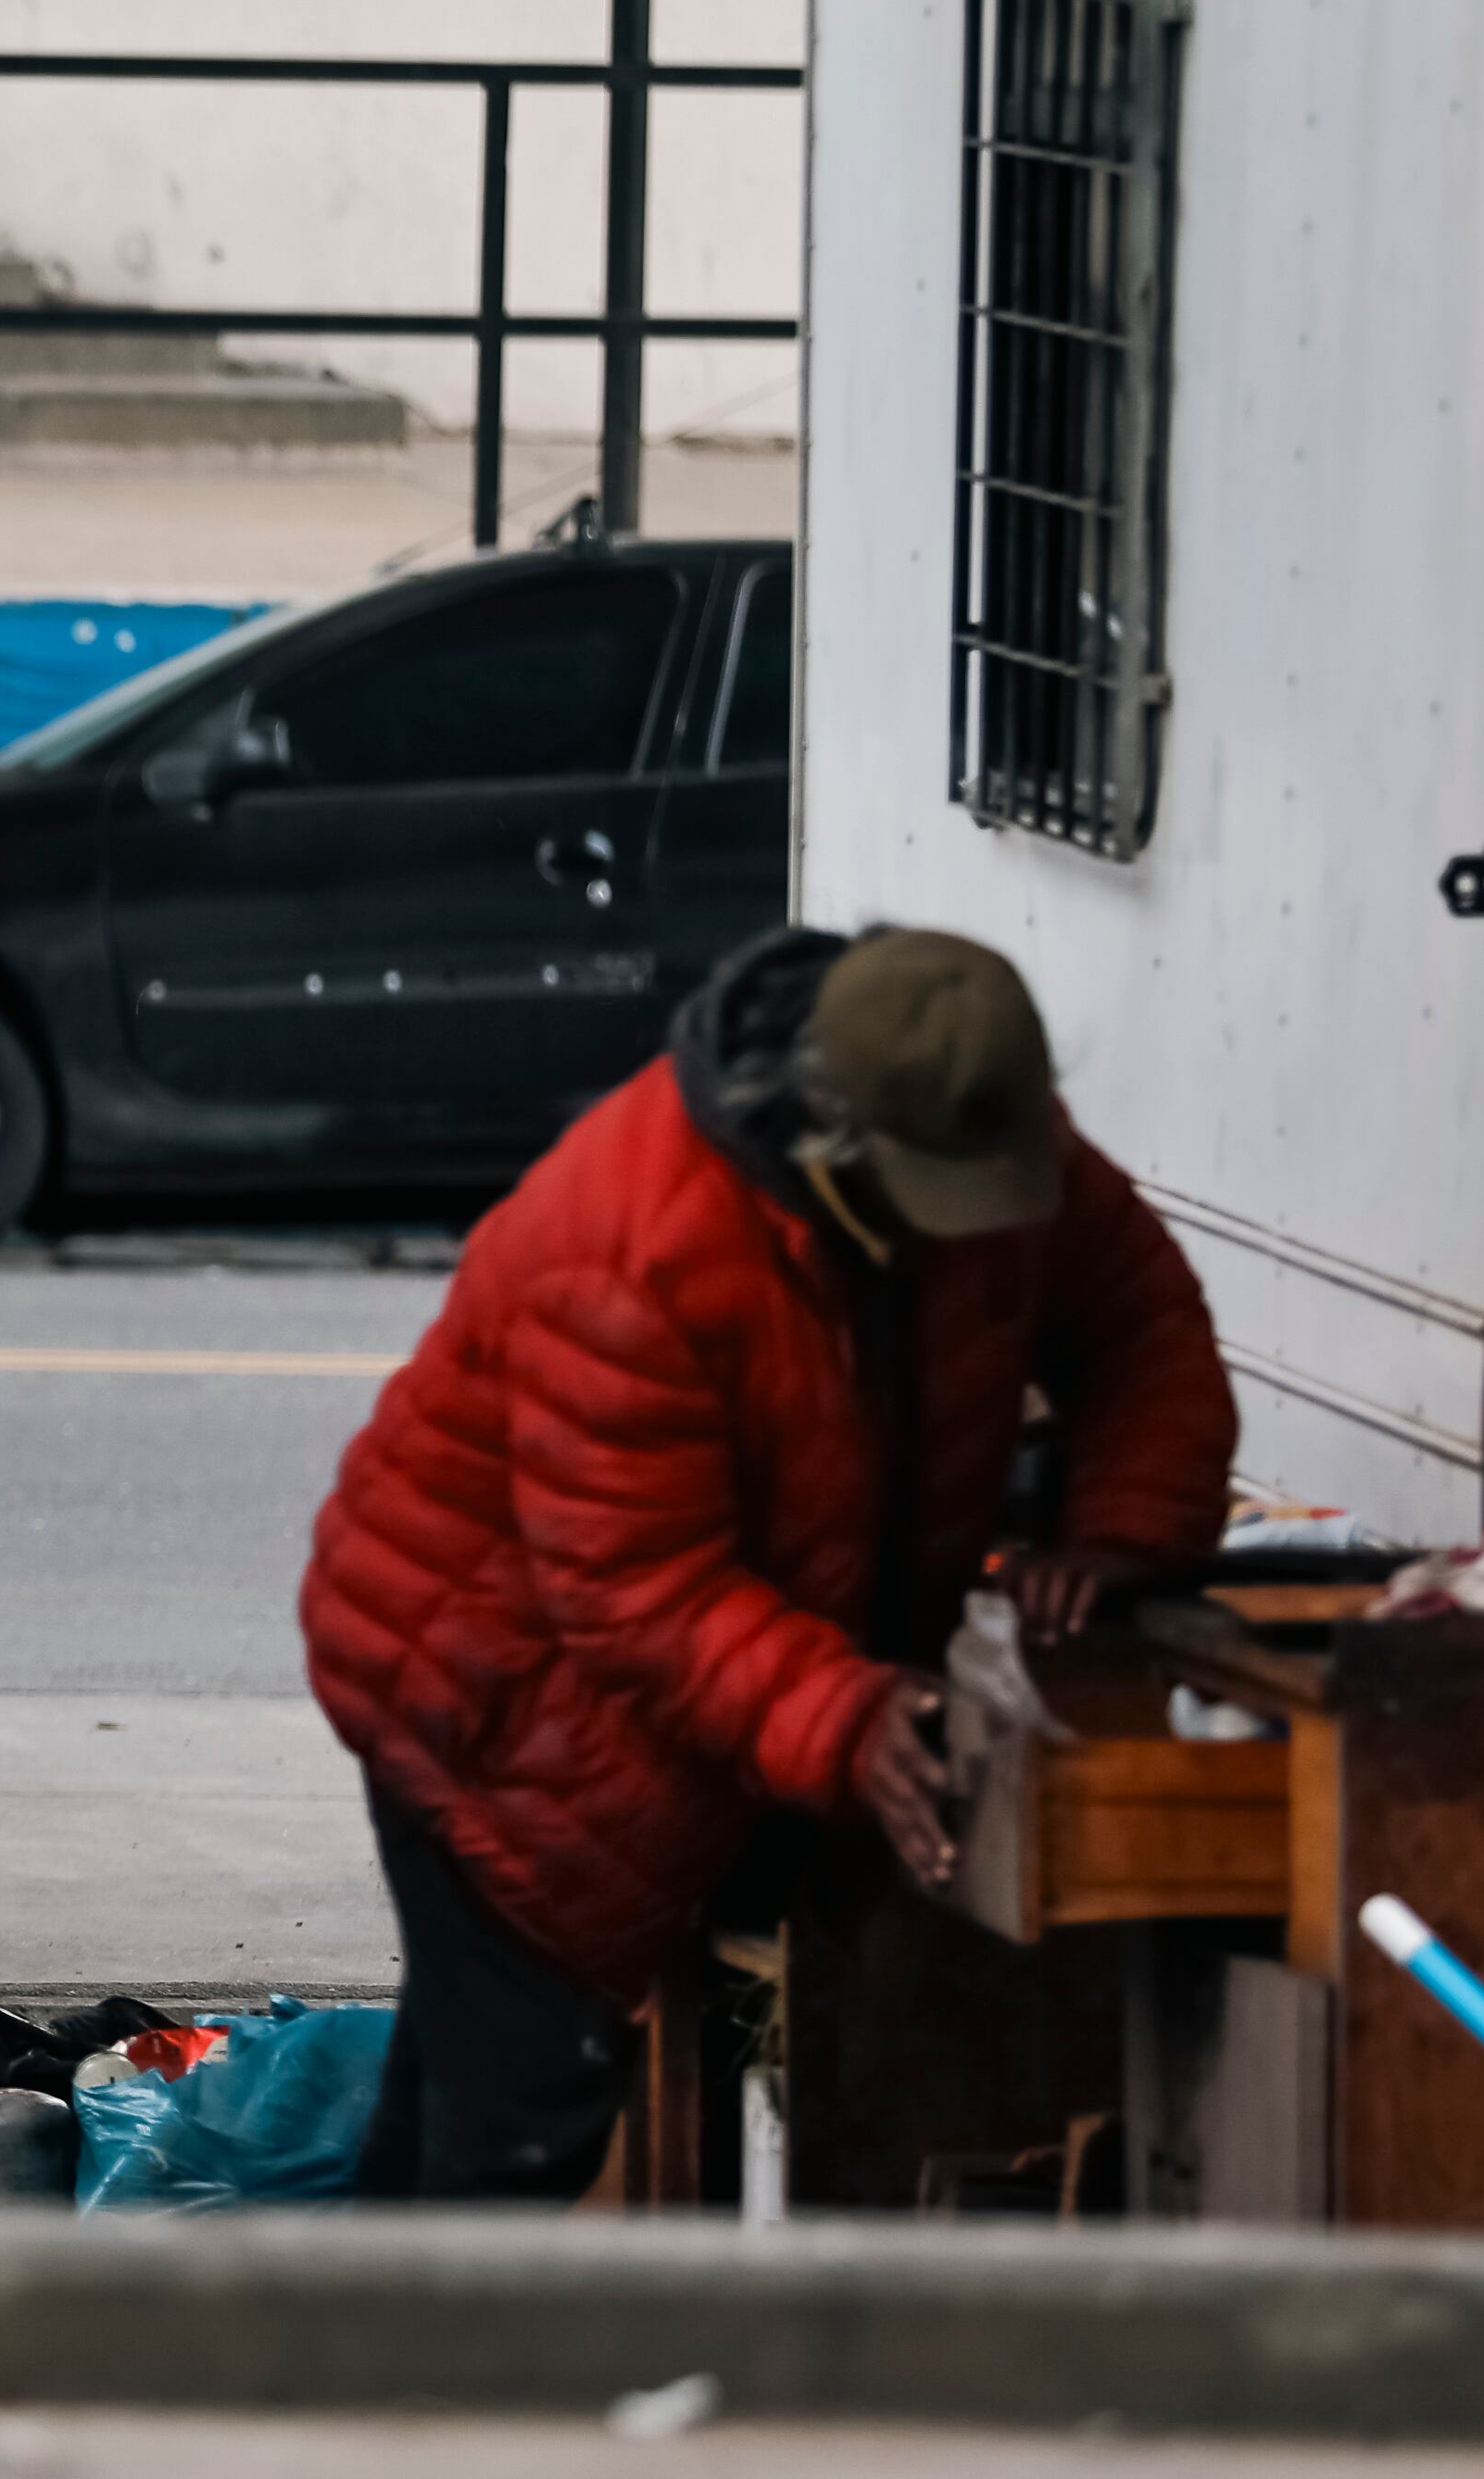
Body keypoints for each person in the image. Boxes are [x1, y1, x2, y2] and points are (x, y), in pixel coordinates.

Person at [300, 924, 1236, 2197]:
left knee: (460, 2101)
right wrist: (843, 1714)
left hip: (703, 1667)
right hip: (493, 1689)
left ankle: (337, 2362)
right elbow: (635, 1592)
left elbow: (1138, 1320)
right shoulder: (628, 1246)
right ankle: (437, 2386)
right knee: (520, 2108)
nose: (968, 1235)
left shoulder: (971, 1119)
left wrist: (1124, 1527)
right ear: (830, 1142)